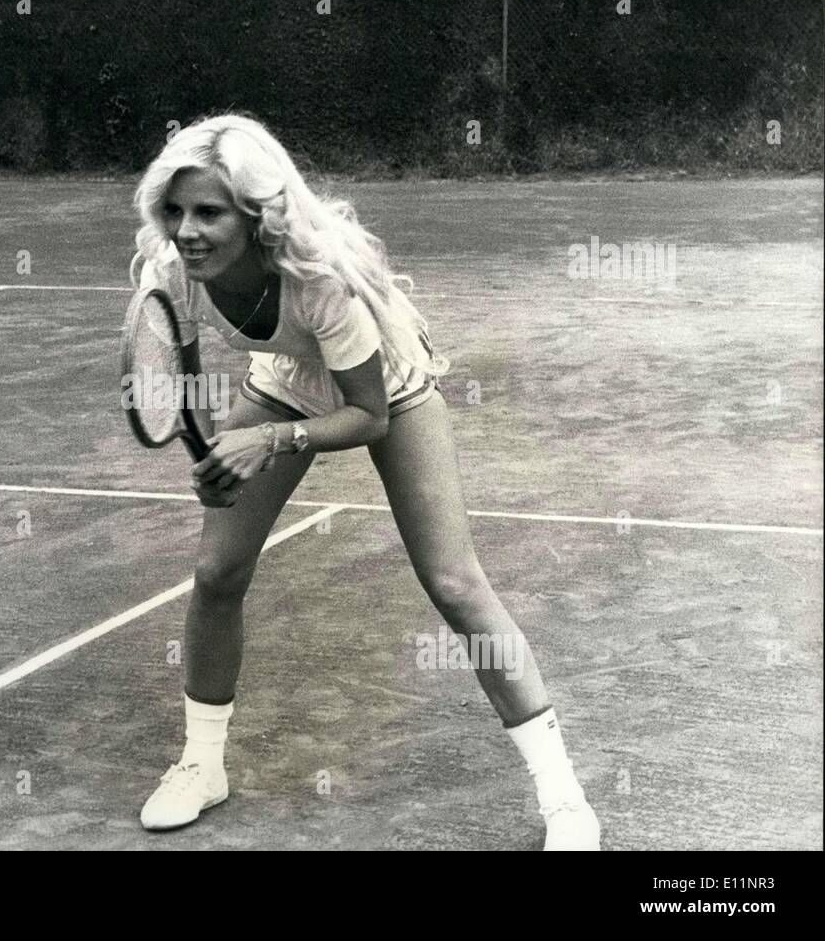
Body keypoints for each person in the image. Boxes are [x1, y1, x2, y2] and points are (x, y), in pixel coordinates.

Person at [131, 115, 600, 849]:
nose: (187, 230)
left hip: (386, 384)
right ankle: (201, 764)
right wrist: (217, 449)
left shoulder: (324, 282)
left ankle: (563, 797)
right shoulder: (170, 270)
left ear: (257, 216)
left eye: (210, 212)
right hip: (285, 376)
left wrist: (267, 440)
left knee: (454, 582)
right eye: (177, 211)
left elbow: (368, 414)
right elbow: (178, 374)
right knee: (216, 571)